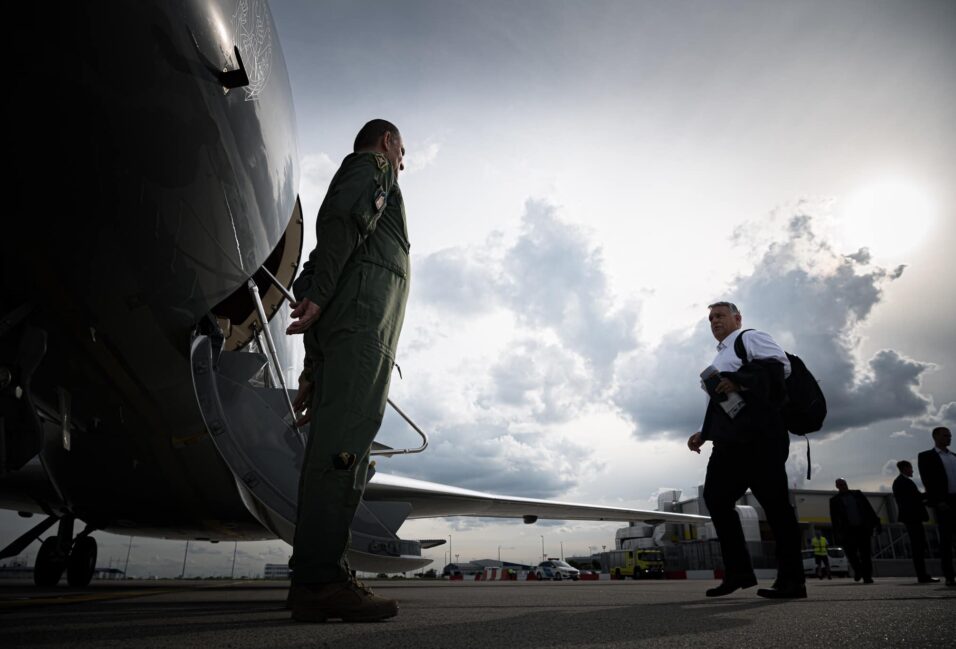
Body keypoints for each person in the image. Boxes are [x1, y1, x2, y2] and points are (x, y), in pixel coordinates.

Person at [285, 119, 410, 622]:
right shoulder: (374, 168)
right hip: (363, 334)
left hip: (348, 334)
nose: (403, 162)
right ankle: (322, 581)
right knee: (345, 452)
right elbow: (341, 218)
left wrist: (313, 368)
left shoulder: (351, 231)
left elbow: (314, 272)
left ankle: (315, 577)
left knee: (332, 451)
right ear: (387, 142)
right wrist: (319, 300)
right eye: (402, 150)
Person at [687, 302, 805, 599]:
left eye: (720, 315)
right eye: (711, 318)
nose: (714, 321)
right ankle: (739, 572)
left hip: (760, 438)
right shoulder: (721, 356)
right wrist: (705, 432)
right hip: (729, 442)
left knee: (775, 506)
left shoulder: (749, 337)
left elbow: (779, 367)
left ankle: (792, 581)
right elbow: (724, 402)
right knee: (715, 498)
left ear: (737, 318)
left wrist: (737, 380)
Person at [917, 426, 956, 586]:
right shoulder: (927, 457)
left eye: (950, 435)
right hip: (944, 502)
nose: (949, 438)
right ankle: (949, 575)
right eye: (946, 435)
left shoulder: (954, 456)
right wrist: (938, 501)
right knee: (946, 540)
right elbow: (928, 480)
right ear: (936, 437)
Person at [892, 460, 938, 583]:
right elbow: (915, 498)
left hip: (911, 518)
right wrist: (930, 493)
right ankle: (922, 575)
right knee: (918, 546)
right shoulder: (904, 482)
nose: (912, 471)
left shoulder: (900, 482)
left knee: (919, 546)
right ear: (905, 468)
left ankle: (922, 574)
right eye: (910, 468)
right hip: (913, 518)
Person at [829, 479, 881, 583]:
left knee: (865, 554)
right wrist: (837, 534)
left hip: (862, 529)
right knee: (851, 554)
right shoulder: (834, 500)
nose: (843, 486)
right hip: (848, 531)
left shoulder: (857, 494)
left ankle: (867, 576)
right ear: (837, 487)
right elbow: (834, 519)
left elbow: (868, 508)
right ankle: (858, 570)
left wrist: (876, 522)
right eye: (840, 485)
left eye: (844, 484)